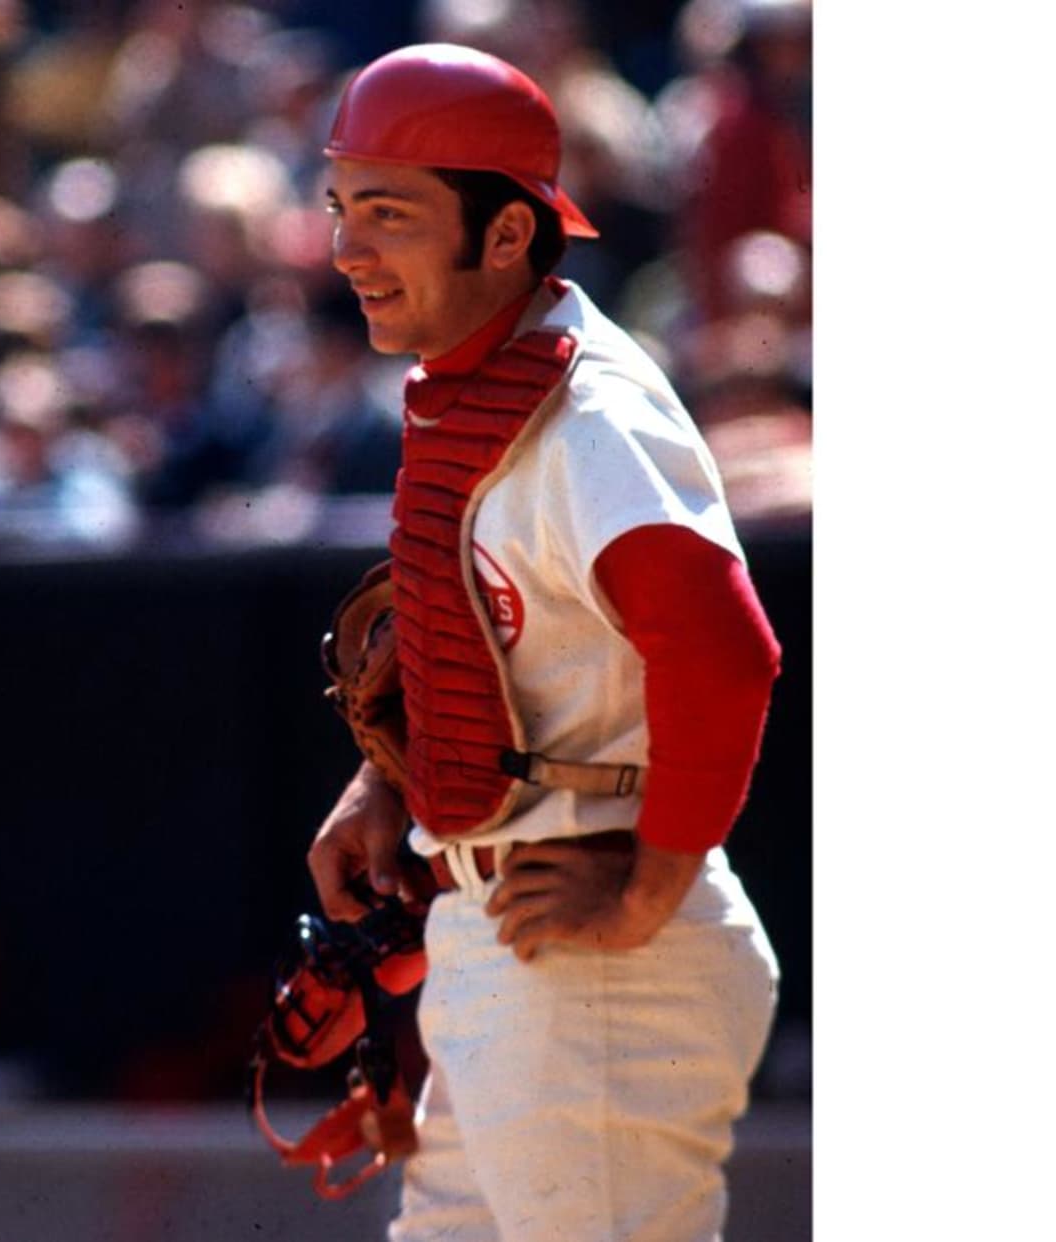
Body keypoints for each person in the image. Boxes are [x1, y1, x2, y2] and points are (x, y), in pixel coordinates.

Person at [304, 43, 787, 1242]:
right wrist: (384, 781)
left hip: (599, 951)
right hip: (516, 937)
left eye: (391, 215)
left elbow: (725, 653)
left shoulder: (591, 417)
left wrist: (648, 892)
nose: (349, 250)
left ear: (509, 234)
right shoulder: (480, 381)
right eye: (342, 209)